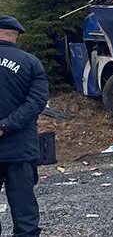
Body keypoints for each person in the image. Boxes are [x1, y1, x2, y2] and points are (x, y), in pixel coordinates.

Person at [0, 15, 49, 237]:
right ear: (16, 36)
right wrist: (6, 125)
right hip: (20, 149)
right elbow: (37, 102)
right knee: (25, 212)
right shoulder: (31, 63)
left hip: (18, 148)